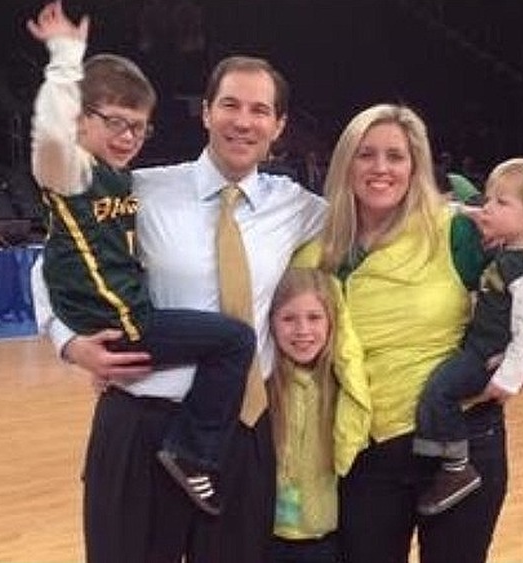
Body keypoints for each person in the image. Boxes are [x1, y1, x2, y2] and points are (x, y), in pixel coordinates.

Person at [28, 12, 329, 561]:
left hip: (242, 430)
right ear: (206, 113)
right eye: (231, 105)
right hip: (142, 425)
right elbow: (50, 260)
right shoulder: (142, 188)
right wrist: (68, 341)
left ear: (279, 126)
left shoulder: (299, 208)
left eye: (260, 110)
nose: (244, 121)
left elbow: (379, 220)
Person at [291, 103, 523, 563]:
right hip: (366, 451)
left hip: (463, 441)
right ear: (345, 162)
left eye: (396, 156)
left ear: (415, 166)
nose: (381, 168)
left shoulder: (456, 230)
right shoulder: (317, 249)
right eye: (366, 154)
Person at [27, 0, 255, 517]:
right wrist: (65, 57)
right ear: (79, 120)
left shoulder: (131, 182)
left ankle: (189, 448)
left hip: (127, 320)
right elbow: (50, 136)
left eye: (139, 127)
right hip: (124, 323)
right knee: (236, 340)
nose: (128, 137)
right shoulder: (70, 171)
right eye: (115, 123)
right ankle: (193, 451)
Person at [413, 157, 523, 516]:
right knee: (439, 392)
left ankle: (455, 469)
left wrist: (510, 376)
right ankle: (443, 460)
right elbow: (469, 212)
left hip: (487, 357)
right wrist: (460, 210)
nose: (487, 208)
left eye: (500, 202)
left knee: (438, 392)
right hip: (478, 346)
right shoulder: (513, 247)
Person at [267, 268, 340, 563]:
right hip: (266, 537)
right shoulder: (262, 385)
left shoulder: (339, 386)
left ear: (331, 322)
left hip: (321, 538)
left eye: (314, 318)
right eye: (288, 319)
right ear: (270, 323)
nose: (303, 331)